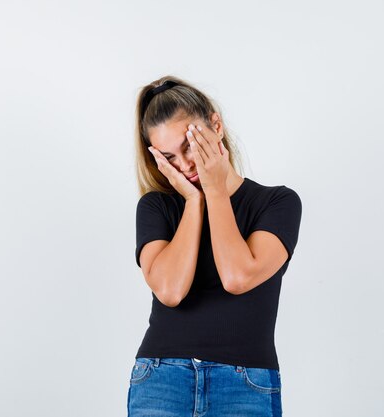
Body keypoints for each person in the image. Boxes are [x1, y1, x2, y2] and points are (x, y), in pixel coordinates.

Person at [128, 76, 303, 417]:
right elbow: (170, 290)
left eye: (189, 145)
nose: (184, 165)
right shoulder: (157, 207)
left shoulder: (277, 203)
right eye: (169, 157)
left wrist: (215, 190)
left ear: (215, 125)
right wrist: (194, 202)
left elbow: (237, 276)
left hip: (245, 383)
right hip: (161, 378)